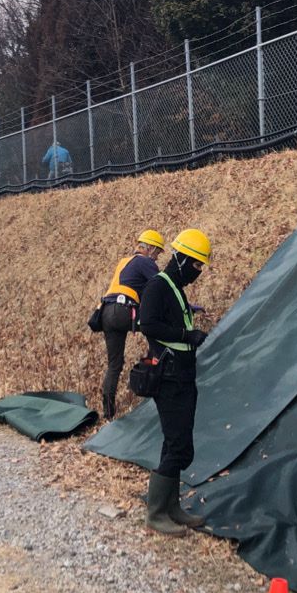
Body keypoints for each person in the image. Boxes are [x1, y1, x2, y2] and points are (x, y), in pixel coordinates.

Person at [134, 228, 213, 536]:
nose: (198, 272)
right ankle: (156, 513)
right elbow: (148, 323)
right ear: (180, 260)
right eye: (195, 265)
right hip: (168, 378)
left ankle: (172, 507)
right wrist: (186, 336)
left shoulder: (176, 289)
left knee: (176, 442)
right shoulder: (158, 286)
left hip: (183, 375)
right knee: (178, 445)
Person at [90, 228, 166, 420]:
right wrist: (187, 306)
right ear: (148, 248)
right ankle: (156, 368)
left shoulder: (124, 262)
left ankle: (108, 413)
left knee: (114, 364)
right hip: (123, 311)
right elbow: (161, 287)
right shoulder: (145, 261)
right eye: (157, 251)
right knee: (156, 327)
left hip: (106, 312)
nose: (156, 257)